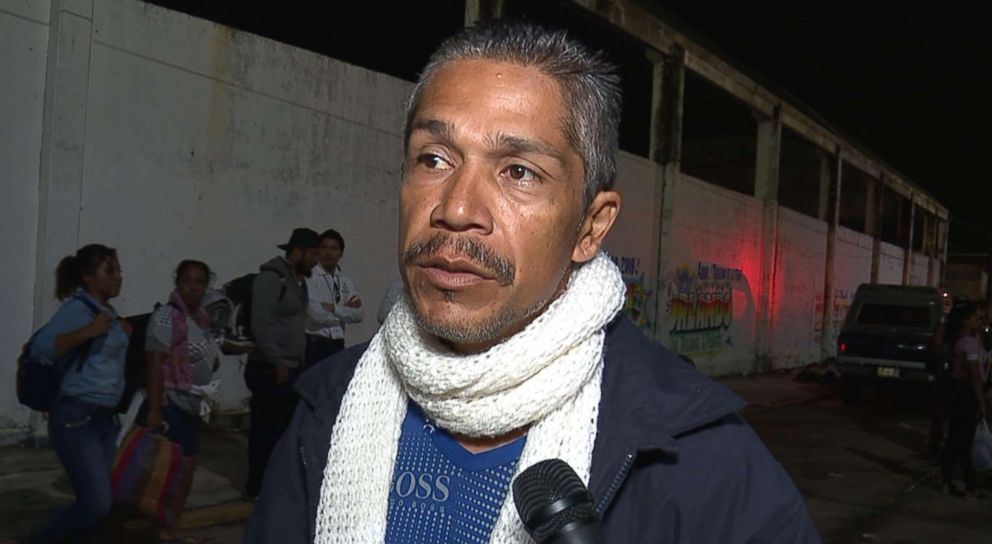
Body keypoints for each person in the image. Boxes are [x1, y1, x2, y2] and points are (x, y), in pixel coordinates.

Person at [246, 20, 818, 543]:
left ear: (590, 227)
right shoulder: (323, 412)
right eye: (434, 159)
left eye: (518, 172)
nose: (457, 208)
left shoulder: (702, 464)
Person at [24, 244, 131, 543]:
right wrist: (88, 332)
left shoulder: (105, 311)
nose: (118, 277)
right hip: (77, 418)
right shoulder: (78, 309)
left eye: (118, 269)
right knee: (97, 504)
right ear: (87, 276)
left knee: (95, 503)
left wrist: (120, 330)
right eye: (109, 270)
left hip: (103, 420)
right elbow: (42, 348)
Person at [139, 259, 221, 541]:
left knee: (186, 467)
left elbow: (203, 351)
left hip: (192, 404)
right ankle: (160, 525)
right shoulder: (167, 316)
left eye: (200, 281)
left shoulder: (200, 317)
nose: (194, 286)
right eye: (188, 280)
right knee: (169, 469)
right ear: (177, 281)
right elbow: (154, 363)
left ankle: (171, 525)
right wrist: (154, 410)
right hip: (171, 403)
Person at [244, 227, 320, 499]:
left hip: (290, 367)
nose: (315, 260)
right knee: (266, 431)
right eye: (312, 253)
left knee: (282, 432)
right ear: (296, 251)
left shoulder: (298, 282)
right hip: (269, 368)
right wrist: (277, 362)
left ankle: (272, 486)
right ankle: (257, 486)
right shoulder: (271, 279)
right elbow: (261, 323)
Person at [941, 301, 989, 497]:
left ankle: (960, 484)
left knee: (960, 440)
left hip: (960, 393)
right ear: (965, 320)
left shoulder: (968, 340)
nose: (978, 320)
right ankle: (960, 485)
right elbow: (975, 376)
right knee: (960, 441)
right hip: (964, 394)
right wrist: (981, 402)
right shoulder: (968, 343)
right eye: (974, 317)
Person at [304, 229, 364, 367]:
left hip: (338, 343)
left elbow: (359, 315)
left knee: (335, 387)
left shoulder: (345, 281)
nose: (329, 253)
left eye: (334, 248)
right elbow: (316, 315)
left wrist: (333, 308)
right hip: (315, 344)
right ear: (318, 251)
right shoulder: (310, 277)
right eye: (324, 247)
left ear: (341, 253)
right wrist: (345, 311)